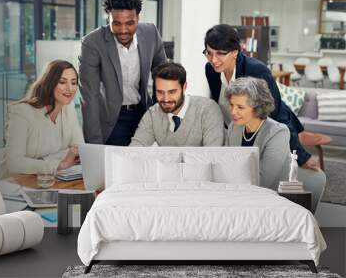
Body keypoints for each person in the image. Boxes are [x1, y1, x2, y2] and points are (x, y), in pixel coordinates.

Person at [204, 24, 319, 170]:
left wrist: (301, 157)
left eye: (220, 53)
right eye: (209, 53)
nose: (213, 60)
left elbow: (276, 113)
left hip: (265, 130)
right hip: (237, 131)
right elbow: (219, 104)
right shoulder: (211, 70)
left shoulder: (256, 70)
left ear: (234, 52)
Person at [225, 77, 326, 213]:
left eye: (240, 107)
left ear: (257, 108)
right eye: (231, 105)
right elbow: (225, 165)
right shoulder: (234, 127)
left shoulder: (278, 133)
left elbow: (261, 182)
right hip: (240, 199)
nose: (232, 112)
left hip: (271, 205)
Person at [79, 0, 166, 146]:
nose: (123, 30)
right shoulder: (92, 43)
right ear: (108, 18)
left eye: (130, 23)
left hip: (143, 113)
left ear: (138, 18)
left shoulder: (150, 33)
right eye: (116, 23)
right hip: (112, 119)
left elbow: (165, 75)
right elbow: (90, 98)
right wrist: (94, 147)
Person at [0, 60, 84, 180]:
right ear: (50, 83)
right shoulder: (21, 112)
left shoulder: (68, 108)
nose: (70, 88)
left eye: (74, 83)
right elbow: (14, 163)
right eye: (62, 82)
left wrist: (45, 161)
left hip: (49, 180)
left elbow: (78, 150)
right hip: (14, 183)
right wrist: (60, 164)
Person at [130, 62, 224, 147]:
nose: (166, 99)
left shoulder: (208, 110)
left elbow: (213, 155)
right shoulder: (152, 114)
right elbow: (134, 151)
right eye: (160, 92)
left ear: (184, 87)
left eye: (172, 92)